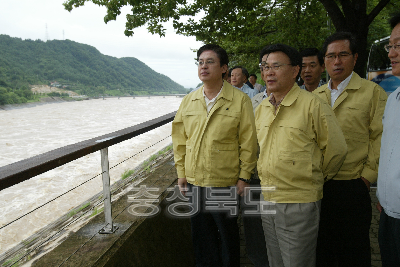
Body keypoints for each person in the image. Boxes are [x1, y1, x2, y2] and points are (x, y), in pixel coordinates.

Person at [255, 43, 347, 267]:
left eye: (276, 66)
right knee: (274, 261)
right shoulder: (261, 108)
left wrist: (311, 177)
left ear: (295, 70)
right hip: (267, 198)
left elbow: (337, 151)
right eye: (265, 67)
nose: (269, 72)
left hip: (298, 202)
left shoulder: (313, 104)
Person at [172, 44, 258, 267]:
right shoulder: (188, 100)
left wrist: (244, 177)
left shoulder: (240, 100)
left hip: (224, 183)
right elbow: (180, 140)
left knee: (227, 238)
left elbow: (248, 142)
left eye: (210, 62)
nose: (204, 66)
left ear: (224, 69)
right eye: (200, 62)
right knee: (202, 240)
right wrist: (181, 172)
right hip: (195, 181)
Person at [313, 32, 387, 267]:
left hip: (353, 184)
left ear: (355, 58)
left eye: (343, 55)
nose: (337, 62)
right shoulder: (315, 97)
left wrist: (367, 177)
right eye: (331, 56)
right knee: (322, 249)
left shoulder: (372, 93)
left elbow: (380, 137)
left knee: (354, 251)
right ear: (324, 60)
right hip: (318, 185)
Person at [376, 12, 400, 267]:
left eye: (398, 46)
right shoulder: (393, 98)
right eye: (390, 46)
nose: (391, 53)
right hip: (388, 214)